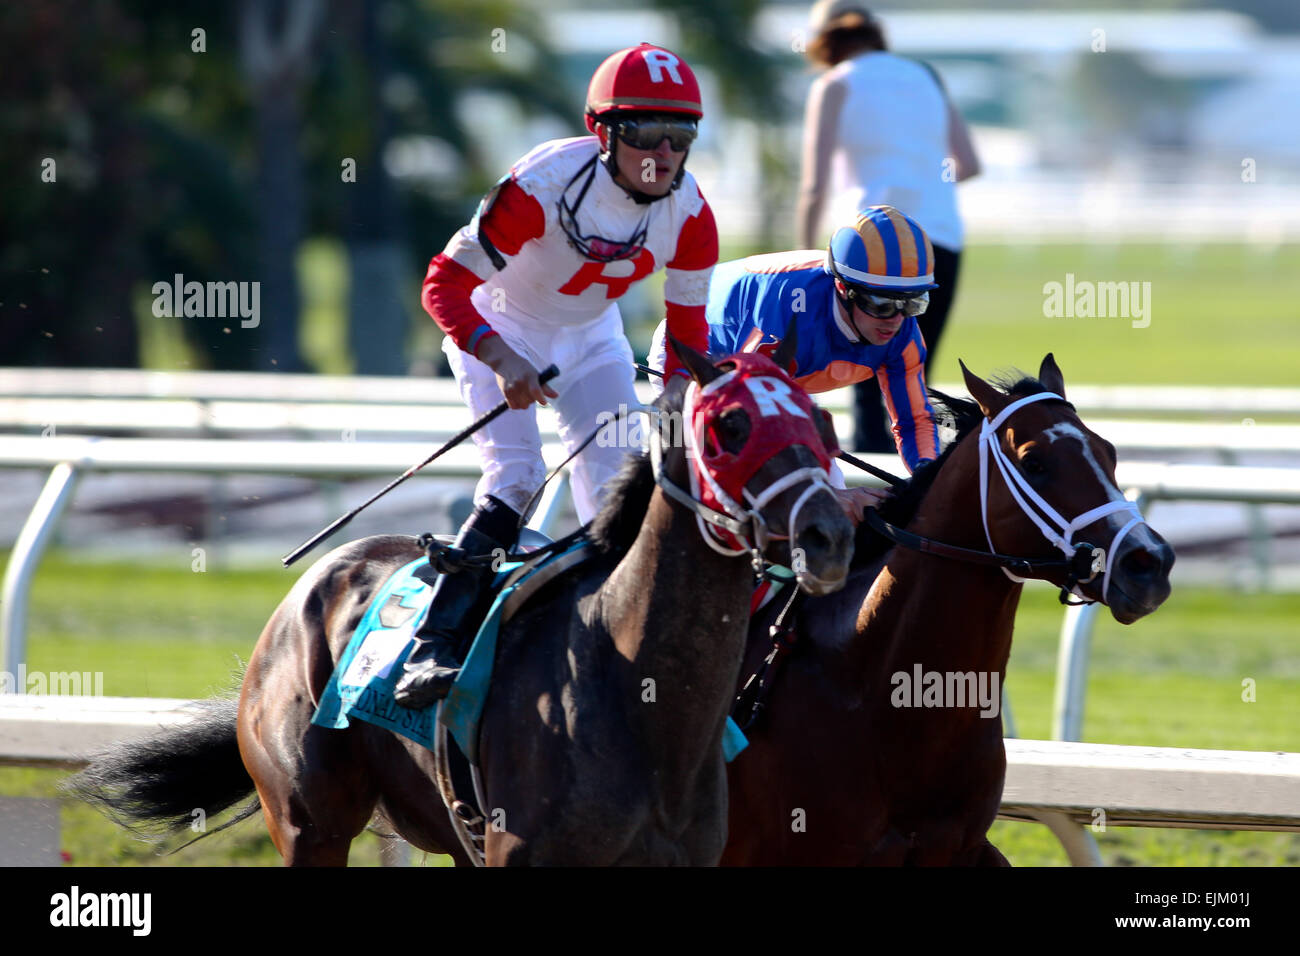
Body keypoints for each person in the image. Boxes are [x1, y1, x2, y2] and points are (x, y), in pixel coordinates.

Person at [395, 43, 719, 709]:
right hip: (499, 325)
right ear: (602, 132)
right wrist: (502, 358)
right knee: (516, 479)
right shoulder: (542, 186)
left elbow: (688, 335)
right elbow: (444, 286)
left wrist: (682, 391)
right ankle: (437, 642)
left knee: (618, 489)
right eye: (641, 135)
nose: (661, 155)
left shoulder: (693, 216)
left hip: (593, 336)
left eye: (679, 136)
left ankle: (621, 654)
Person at [649, 205, 940, 523]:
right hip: (698, 360)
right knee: (738, 501)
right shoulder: (786, 312)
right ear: (843, 288)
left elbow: (914, 421)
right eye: (881, 303)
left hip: (780, 381)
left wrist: (929, 482)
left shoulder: (903, 329)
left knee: (827, 512)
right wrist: (828, 495)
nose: (896, 319)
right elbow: (752, 423)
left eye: (913, 301)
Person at [796, 1, 978, 456]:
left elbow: (814, 186)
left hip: (868, 244)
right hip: (939, 240)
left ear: (824, 43)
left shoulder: (834, 85)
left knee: (864, 380)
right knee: (913, 377)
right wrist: (920, 185)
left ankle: (872, 505)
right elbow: (969, 165)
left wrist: (804, 258)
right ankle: (919, 493)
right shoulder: (926, 76)